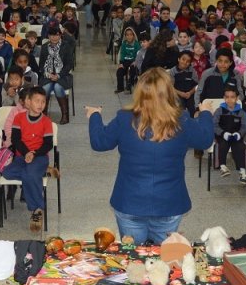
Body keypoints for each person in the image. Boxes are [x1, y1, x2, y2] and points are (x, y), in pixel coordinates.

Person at [88, 68, 214, 244]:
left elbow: (99, 142)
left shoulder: (125, 118)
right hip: (169, 204)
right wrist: (206, 112)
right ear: (169, 92)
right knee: (164, 260)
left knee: (134, 259)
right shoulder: (182, 120)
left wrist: (94, 115)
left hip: (129, 202)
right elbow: (206, 140)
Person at [2, 86, 53, 232]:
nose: (40, 104)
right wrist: (26, 154)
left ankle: (37, 209)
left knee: (29, 174)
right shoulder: (19, 118)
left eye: (43, 101)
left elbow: (48, 144)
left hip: (40, 156)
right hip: (21, 156)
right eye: (37, 101)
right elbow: (16, 140)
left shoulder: (46, 121)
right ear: (28, 102)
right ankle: (40, 172)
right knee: (6, 173)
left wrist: (34, 154)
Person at [213, 86, 246, 182]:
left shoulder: (241, 112)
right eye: (227, 97)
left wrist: (239, 134)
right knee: (222, 144)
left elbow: (243, 127)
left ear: (237, 98)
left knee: (240, 146)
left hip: (235, 135)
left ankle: (242, 172)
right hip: (222, 135)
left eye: (232, 97)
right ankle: (222, 166)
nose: (229, 99)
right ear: (224, 98)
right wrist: (223, 133)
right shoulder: (219, 110)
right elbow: (214, 125)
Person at [39, 27, 74, 124]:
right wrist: (47, 74)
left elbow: (69, 64)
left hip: (63, 75)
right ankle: (43, 114)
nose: (54, 37)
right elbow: (41, 65)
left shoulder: (66, 46)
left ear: (60, 35)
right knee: (45, 88)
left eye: (57, 35)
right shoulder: (45, 47)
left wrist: (58, 75)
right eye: (52, 35)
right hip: (48, 75)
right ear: (49, 36)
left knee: (58, 87)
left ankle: (65, 115)